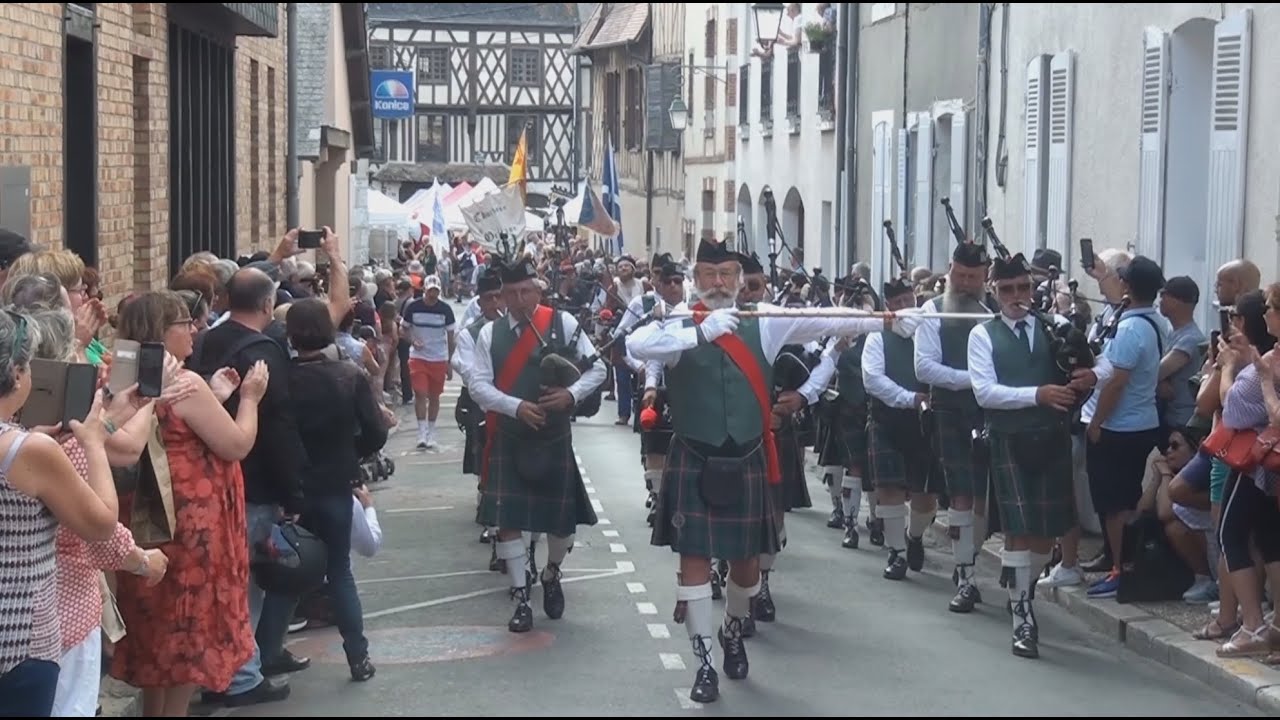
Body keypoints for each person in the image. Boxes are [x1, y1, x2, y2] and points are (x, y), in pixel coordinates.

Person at [627, 239, 922, 704]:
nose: (719, 283)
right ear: (694, 279)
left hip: (745, 458)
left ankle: (731, 629)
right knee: (695, 565)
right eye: (708, 274)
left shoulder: (764, 320)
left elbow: (826, 320)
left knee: (746, 572)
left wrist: (885, 320)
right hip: (695, 456)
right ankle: (704, 663)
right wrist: (699, 334)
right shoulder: (679, 321)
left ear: (740, 279)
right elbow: (635, 343)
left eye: (727, 273)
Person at [468, 256, 607, 633]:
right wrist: (515, 407)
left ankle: (551, 571)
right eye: (511, 293)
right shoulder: (488, 334)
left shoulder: (563, 323)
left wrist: (570, 395)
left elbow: (599, 368)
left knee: (560, 529)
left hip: (553, 437)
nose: (519, 299)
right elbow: (478, 386)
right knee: (509, 524)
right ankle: (521, 597)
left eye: (525, 291)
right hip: (511, 437)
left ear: (538, 289)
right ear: (502, 296)